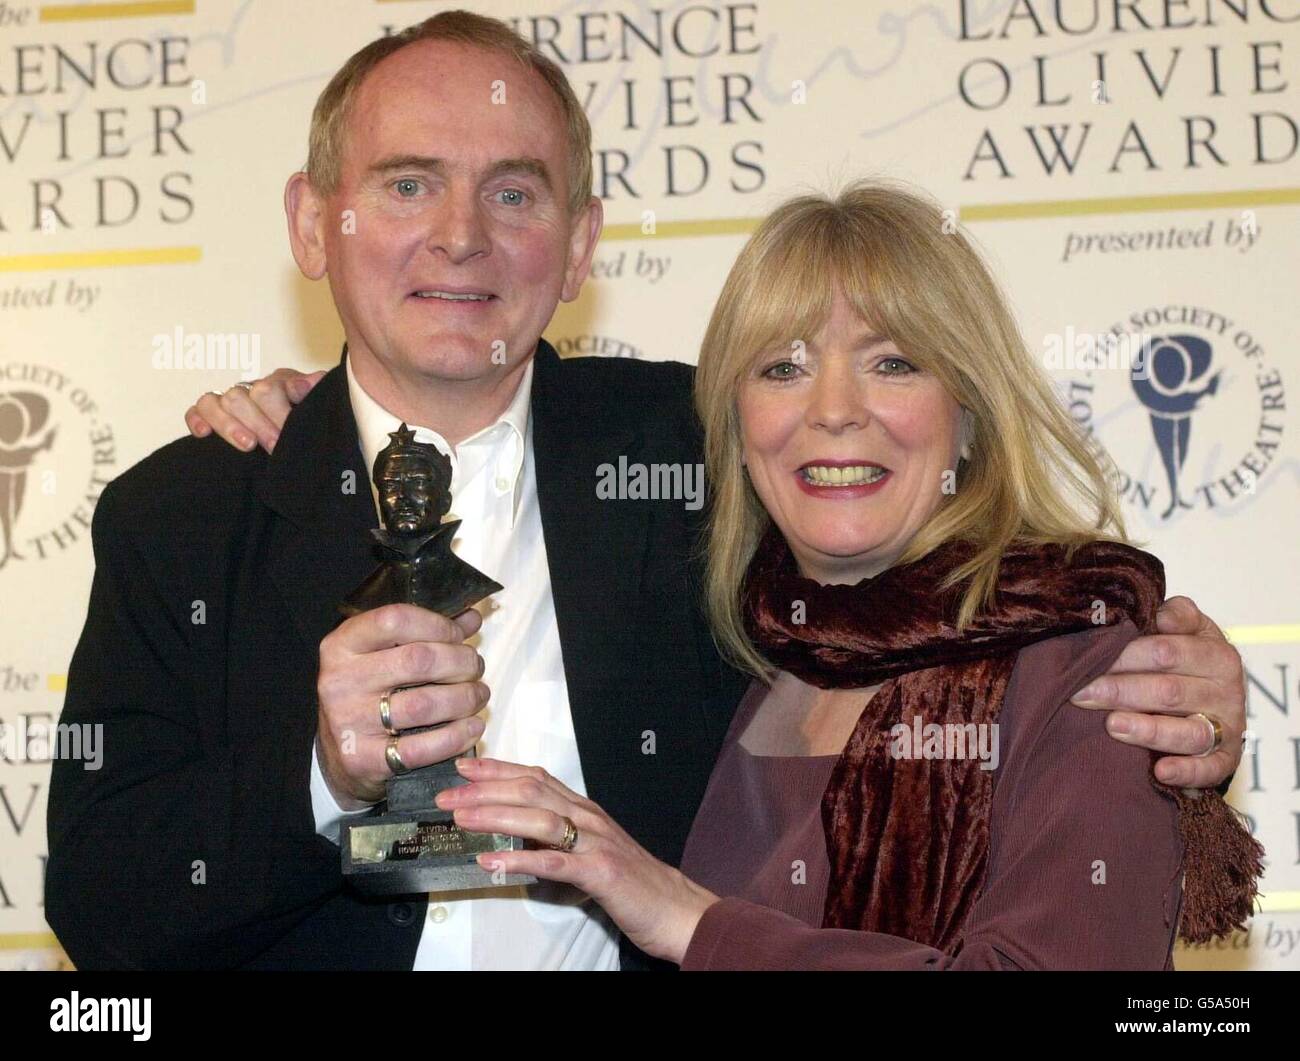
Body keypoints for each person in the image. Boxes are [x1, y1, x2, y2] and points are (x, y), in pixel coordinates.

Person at [48, 12, 1245, 972]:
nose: (461, 236)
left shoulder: (712, 449)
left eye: (514, 193)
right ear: (316, 224)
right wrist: (321, 774)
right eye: (408, 184)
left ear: (578, 248)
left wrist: (1154, 662)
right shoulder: (187, 516)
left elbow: (932, 581)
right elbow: (104, 909)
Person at [413, 182, 1264, 968]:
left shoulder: (1084, 665)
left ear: (969, 409)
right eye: (782, 368)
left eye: (893, 361)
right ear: (734, 424)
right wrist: (311, 409)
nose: (832, 408)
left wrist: (690, 920)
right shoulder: (735, 654)